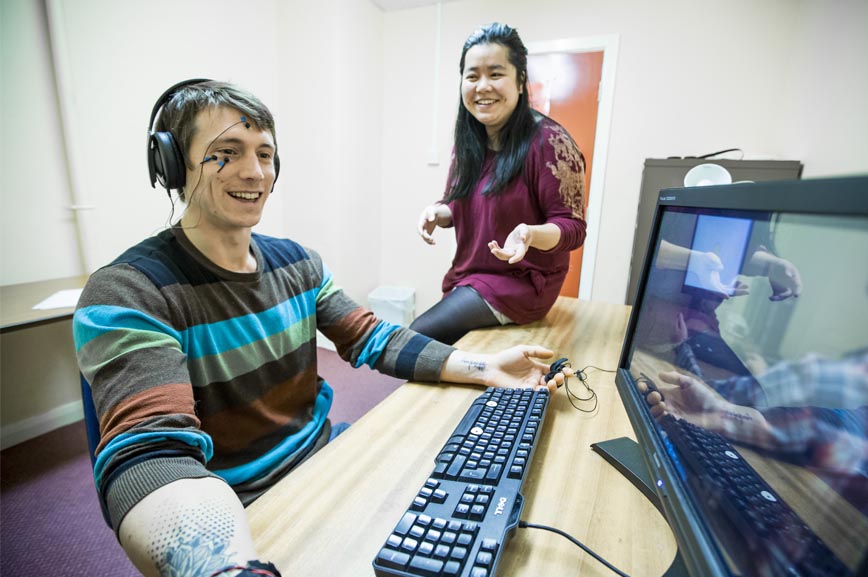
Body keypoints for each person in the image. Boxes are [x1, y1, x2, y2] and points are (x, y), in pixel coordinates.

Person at [72, 80, 573, 577]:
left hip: (325, 458)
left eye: (265, 154)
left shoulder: (298, 263)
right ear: (173, 164)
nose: (255, 171)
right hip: (242, 511)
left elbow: (371, 338)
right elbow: (151, 456)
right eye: (227, 152)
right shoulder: (128, 292)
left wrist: (485, 366)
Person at [410, 22, 587, 345]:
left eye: (495, 74)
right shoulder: (469, 141)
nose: (482, 86)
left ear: (520, 81)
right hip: (471, 276)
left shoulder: (550, 141)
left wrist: (530, 234)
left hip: (522, 282)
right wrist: (439, 212)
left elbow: (572, 228)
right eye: (472, 75)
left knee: (416, 337)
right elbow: (459, 202)